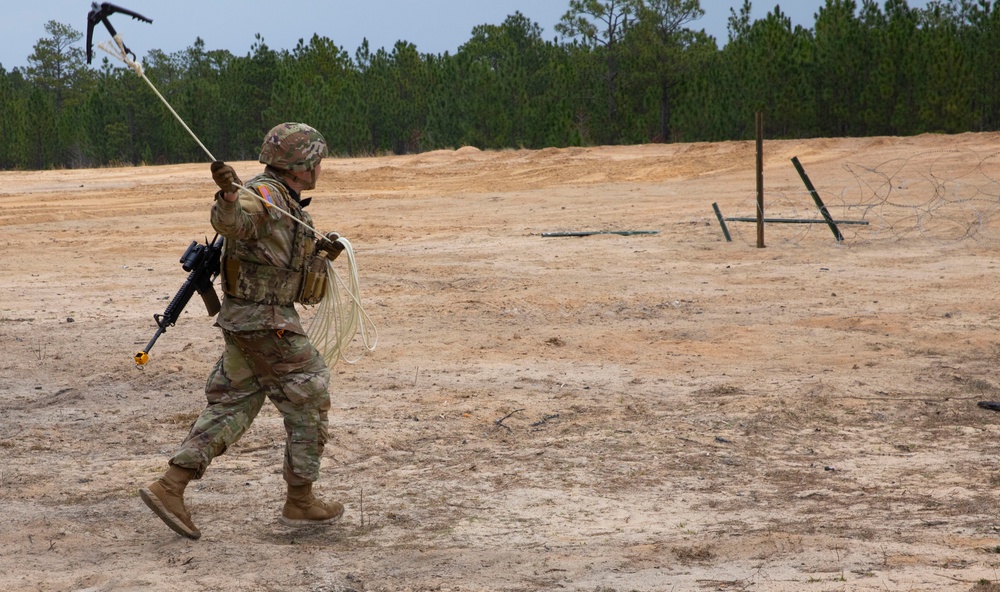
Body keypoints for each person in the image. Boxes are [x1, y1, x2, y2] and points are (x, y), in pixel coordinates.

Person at [139, 122, 345, 540]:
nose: (321, 167)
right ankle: (300, 500)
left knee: (234, 404)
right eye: (317, 161)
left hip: (245, 322)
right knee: (310, 392)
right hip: (266, 323)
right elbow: (234, 220)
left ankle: (170, 486)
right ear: (300, 165)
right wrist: (229, 198)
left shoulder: (282, 196)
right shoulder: (263, 195)